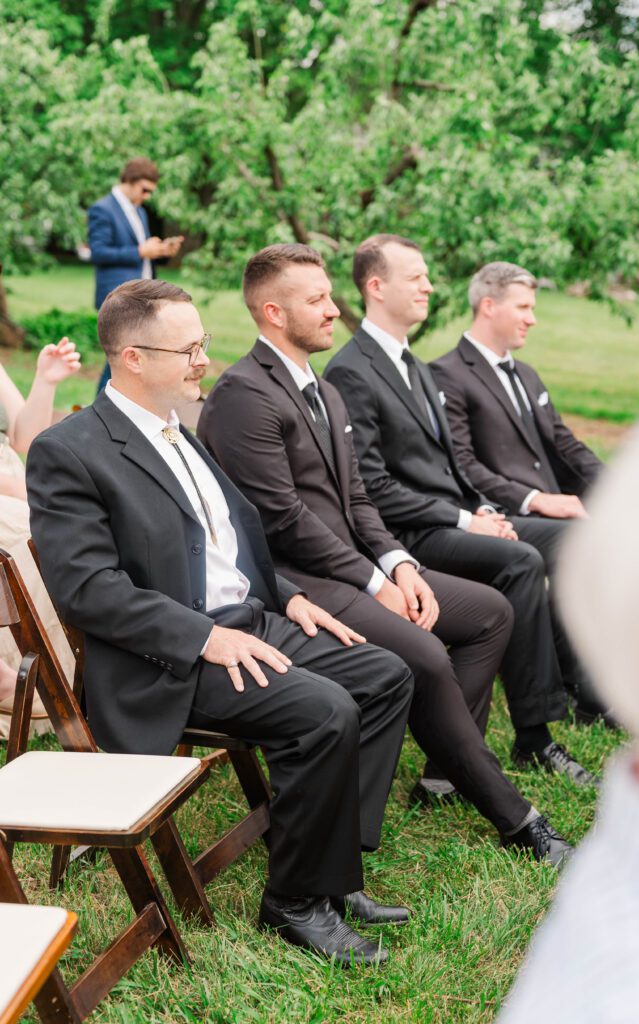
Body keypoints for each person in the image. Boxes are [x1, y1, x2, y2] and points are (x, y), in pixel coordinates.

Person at [26, 279, 415, 966]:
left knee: (385, 677)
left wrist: (287, 593)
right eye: (189, 349)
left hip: (250, 619)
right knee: (324, 712)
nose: (204, 360)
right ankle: (293, 904)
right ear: (131, 357)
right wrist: (204, 637)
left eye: (203, 344)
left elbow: (227, 542)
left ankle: (330, 864)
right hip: (167, 657)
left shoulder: (182, 427)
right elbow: (87, 590)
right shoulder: (72, 451)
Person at [198, 243, 574, 867]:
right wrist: (376, 584)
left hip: (354, 566)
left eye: (328, 295)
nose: (330, 309)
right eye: (315, 300)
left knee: (489, 613)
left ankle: (443, 767)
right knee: (425, 655)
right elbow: (284, 520)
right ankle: (517, 819)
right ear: (272, 312)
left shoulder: (320, 388)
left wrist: (397, 563)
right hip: (297, 580)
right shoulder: (243, 394)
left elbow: (359, 497)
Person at [325, 233, 609, 757]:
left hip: (451, 519)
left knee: (553, 545)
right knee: (522, 562)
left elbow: (454, 466)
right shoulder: (351, 369)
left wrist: (484, 509)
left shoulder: (414, 365)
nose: (430, 286)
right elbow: (372, 487)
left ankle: (574, 694)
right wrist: (463, 519)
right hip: (409, 534)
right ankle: (536, 733)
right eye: (416, 278)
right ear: (375, 286)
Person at [498, 389, 639, 1023]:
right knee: (527, 560)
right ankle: (543, 723)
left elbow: (565, 442)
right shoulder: (636, 993)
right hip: (471, 520)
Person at [429, 261, 602, 520]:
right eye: (523, 307)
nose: (532, 320)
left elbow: (564, 445)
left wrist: (617, 486)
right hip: (509, 515)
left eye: (531, 309)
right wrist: (534, 500)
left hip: (558, 508)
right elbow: (461, 463)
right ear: (488, 306)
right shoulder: (446, 374)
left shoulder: (527, 374)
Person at [0, 338, 79, 738]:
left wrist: (45, 381)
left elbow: (24, 440)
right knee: (17, 532)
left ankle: (67, 676)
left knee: (61, 529)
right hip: (6, 492)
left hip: (13, 483)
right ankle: (12, 682)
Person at [88, 157, 184, 390]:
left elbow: (141, 251)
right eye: (144, 190)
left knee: (130, 354)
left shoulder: (138, 212)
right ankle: (103, 406)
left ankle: (118, 404)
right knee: (121, 353)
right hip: (117, 295)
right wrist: (140, 250)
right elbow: (98, 252)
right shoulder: (103, 209)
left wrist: (160, 250)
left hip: (141, 294)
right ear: (129, 182)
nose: (147, 196)